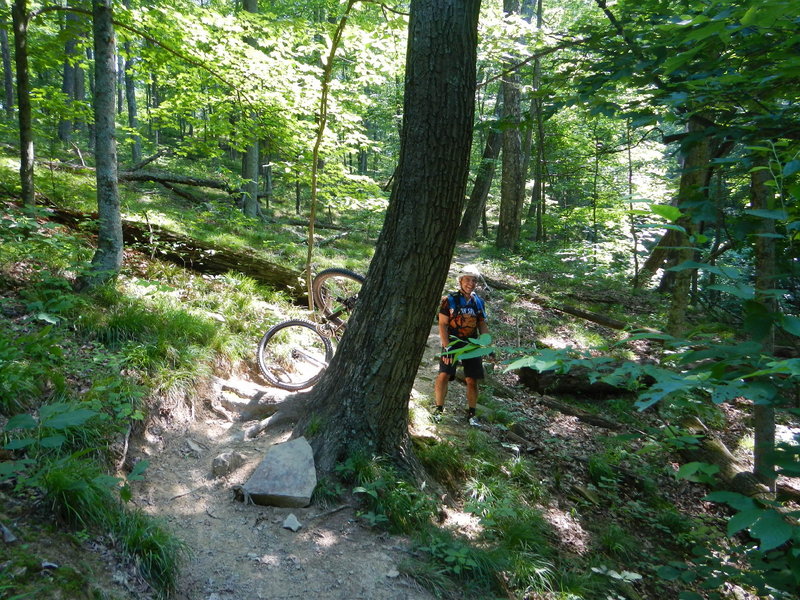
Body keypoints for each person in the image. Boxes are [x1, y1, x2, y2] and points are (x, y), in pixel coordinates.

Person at [434, 265, 489, 425]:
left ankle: (472, 414)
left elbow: (482, 324)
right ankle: (438, 410)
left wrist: (487, 344)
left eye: (474, 280)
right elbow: (443, 325)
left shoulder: (478, 302)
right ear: (460, 281)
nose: (470, 283)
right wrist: (447, 347)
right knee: (444, 374)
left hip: (471, 343)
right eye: (467, 280)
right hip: (452, 342)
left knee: (472, 379)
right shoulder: (449, 300)